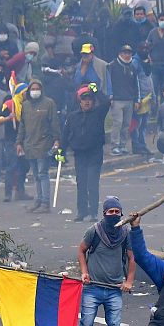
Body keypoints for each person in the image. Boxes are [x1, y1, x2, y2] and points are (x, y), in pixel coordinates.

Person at [74, 196, 136, 326]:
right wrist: (84, 272)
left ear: (121, 213)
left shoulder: (125, 233)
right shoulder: (94, 231)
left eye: (117, 212)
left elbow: (132, 258)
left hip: (115, 289)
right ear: (104, 213)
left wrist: (129, 281)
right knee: (85, 324)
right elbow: (81, 251)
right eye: (111, 212)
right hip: (92, 288)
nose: (114, 215)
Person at [63, 84, 112, 222]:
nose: (87, 101)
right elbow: (65, 134)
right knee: (81, 184)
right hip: (79, 154)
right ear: (80, 101)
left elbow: (107, 102)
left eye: (90, 99)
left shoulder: (98, 113)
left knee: (92, 184)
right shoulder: (73, 116)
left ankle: (93, 212)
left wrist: (97, 91)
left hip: (94, 154)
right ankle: (81, 212)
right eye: (84, 99)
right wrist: (61, 150)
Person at [16, 79, 61, 214]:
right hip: (29, 145)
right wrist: (18, 142)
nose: (35, 91)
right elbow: (22, 126)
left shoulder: (49, 103)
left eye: (37, 88)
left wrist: (57, 140)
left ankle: (45, 202)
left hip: (44, 144)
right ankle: (39, 200)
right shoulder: (26, 105)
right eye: (32, 89)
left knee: (43, 174)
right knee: (35, 175)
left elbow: (54, 123)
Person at [106, 45, 141, 156]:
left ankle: (122, 145)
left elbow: (136, 85)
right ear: (120, 53)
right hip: (116, 100)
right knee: (118, 123)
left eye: (129, 52)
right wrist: (110, 96)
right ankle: (114, 146)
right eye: (125, 52)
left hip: (129, 100)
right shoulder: (112, 66)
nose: (127, 55)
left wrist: (137, 100)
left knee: (126, 124)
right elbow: (108, 82)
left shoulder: (132, 67)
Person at [131, 43, 154, 155]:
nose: (145, 51)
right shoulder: (135, 63)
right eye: (142, 49)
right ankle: (136, 145)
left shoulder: (147, 61)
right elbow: (134, 82)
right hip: (139, 99)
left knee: (144, 124)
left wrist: (153, 96)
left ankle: (143, 144)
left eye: (147, 49)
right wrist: (137, 99)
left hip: (147, 97)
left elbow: (150, 79)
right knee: (137, 123)